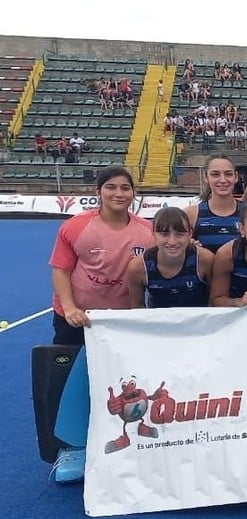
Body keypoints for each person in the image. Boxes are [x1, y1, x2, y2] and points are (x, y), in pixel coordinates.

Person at [45, 166, 154, 482]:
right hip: (78, 319)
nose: (119, 194)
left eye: (125, 188)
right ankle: (72, 448)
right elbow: (61, 271)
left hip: (121, 323)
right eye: (111, 188)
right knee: (71, 383)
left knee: (125, 386)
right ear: (99, 192)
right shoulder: (75, 228)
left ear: (134, 194)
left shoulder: (146, 232)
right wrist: (69, 307)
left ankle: (130, 439)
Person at [127, 207, 213, 308]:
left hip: (198, 321)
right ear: (153, 234)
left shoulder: (204, 260)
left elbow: (214, 303)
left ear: (190, 234)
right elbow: (137, 310)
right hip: (158, 321)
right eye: (164, 234)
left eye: (179, 234)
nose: (172, 242)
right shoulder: (139, 267)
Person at [185, 153, 242, 253]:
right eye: (215, 174)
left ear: (236, 177)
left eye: (228, 174)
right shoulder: (191, 214)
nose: (223, 180)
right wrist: (186, 245)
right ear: (206, 177)